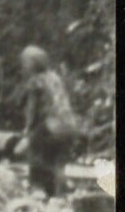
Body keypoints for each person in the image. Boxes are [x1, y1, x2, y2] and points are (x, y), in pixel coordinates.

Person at [17, 45, 81, 199]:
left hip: (51, 125)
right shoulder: (55, 78)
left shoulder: (35, 81)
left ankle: (38, 189)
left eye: (24, 63)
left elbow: (32, 110)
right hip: (69, 126)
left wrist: (27, 130)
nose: (22, 67)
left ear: (32, 64)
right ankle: (59, 193)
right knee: (58, 162)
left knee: (36, 153)